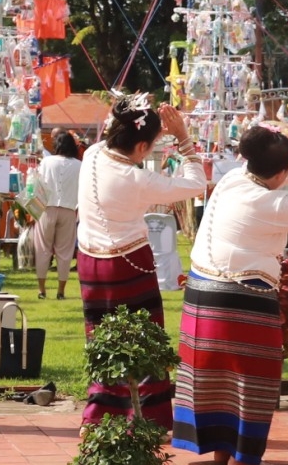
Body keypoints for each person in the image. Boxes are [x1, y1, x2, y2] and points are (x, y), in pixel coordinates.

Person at [174, 125, 288, 465]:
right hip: (242, 296)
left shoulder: (235, 178)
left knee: (216, 377)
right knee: (252, 378)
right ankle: (244, 457)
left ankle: (222, 448)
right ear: (279, 171)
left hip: (202, 291)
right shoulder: (272, 202)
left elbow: (277, 178)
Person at [75, 97, 208, 424]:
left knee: (103, 338)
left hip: (90, 261)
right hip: (127, 260)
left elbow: (123, 136)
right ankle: (150, 416)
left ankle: (100, 414)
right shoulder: (137, 180)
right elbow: (196, 184)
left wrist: (150, 128)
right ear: (141, 146)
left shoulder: (93, 154)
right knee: (144, 339)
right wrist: (183, 138)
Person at [30, 132, 82, 300]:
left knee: (42, 249)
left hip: (47, 208)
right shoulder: (79, 165)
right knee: (65, 252)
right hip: (68, 210)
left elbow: (38, 183)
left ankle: (41, 289)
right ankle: (61, 291)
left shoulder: (47, 162)